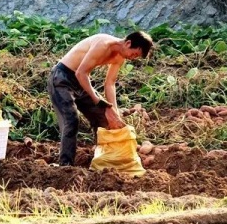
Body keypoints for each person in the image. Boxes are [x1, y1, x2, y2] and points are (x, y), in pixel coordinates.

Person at [47, 31, 153, 166]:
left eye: (136, 57)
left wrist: (114, 112)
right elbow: (81, 72)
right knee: (71, 119)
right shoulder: (103, 45)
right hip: (62, 78)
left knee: (103, 117)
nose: (133, 58)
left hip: (81, 81)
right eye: (134, 54)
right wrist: (98, 101)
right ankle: (65, 165)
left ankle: (103, 158)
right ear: (128, 43)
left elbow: (110, 84)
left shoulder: (120, 57)